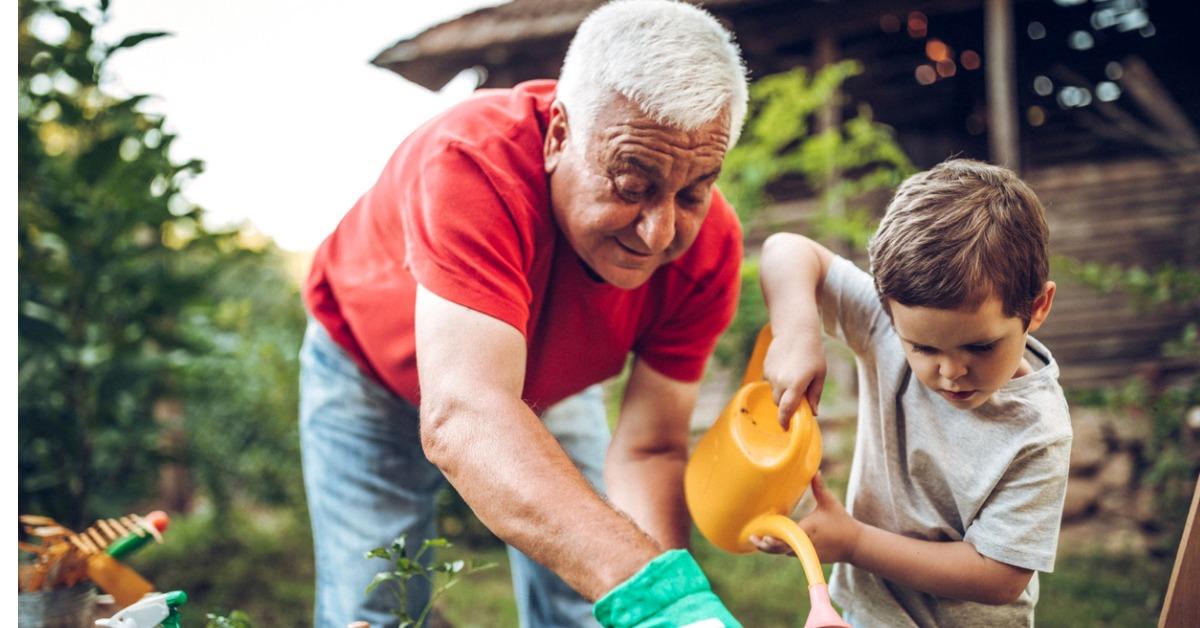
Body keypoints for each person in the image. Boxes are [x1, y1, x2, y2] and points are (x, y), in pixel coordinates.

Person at [300, 1, 748, 626]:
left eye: (694, 190)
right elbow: (466, 412)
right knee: (374, 610)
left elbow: (649, 449)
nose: (659, 232)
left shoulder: (708, 248)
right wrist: (659, 595)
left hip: (545, 387)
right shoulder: (472, 163)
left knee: (589, 603)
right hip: (367, 373)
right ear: (559, 134)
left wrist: (675, 603)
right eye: (631, 183)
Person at [752, 159, 1073, 626]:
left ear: (1037, 306)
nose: (950, 370)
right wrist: (797, 332)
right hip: (868, 615)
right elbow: (786, 250)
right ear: (888, 309)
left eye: (980, 346)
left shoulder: (1038, 431)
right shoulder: (884, 325)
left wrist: (854, 542)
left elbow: (1000, 577)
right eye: (922, 347)